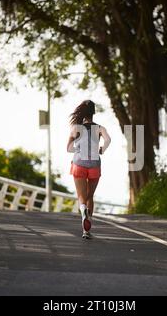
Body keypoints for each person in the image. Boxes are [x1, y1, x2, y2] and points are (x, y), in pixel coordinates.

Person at [67, 100, 111, 239]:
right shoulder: (100, 128)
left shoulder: (76, 128)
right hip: (94, 164)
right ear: (94, 112)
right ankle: (88, 227)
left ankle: (83, 214)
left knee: (81, 197)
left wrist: (78, 149)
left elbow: (68, 148)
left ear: (82, 112)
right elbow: (108, 140)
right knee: (90, 196)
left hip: (79, 163)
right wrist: (101, 150)